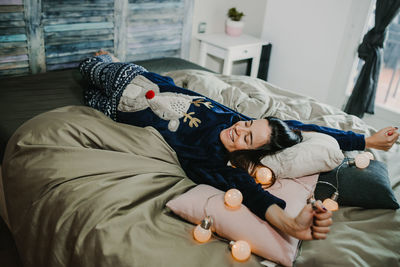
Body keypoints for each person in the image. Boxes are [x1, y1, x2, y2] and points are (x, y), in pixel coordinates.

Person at [79, 52, 398, 241]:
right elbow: (304, 128)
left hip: (124, 107)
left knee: (87, 93)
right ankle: (108, 59)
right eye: (246, 125)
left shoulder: (215, 161)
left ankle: (105, 63)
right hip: (147, 78)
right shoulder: (239, 120)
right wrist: (366, 140)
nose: (238, 130)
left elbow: (254, 195)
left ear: (246, 153)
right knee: (91, 66)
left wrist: (291, 225)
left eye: (246, 138)